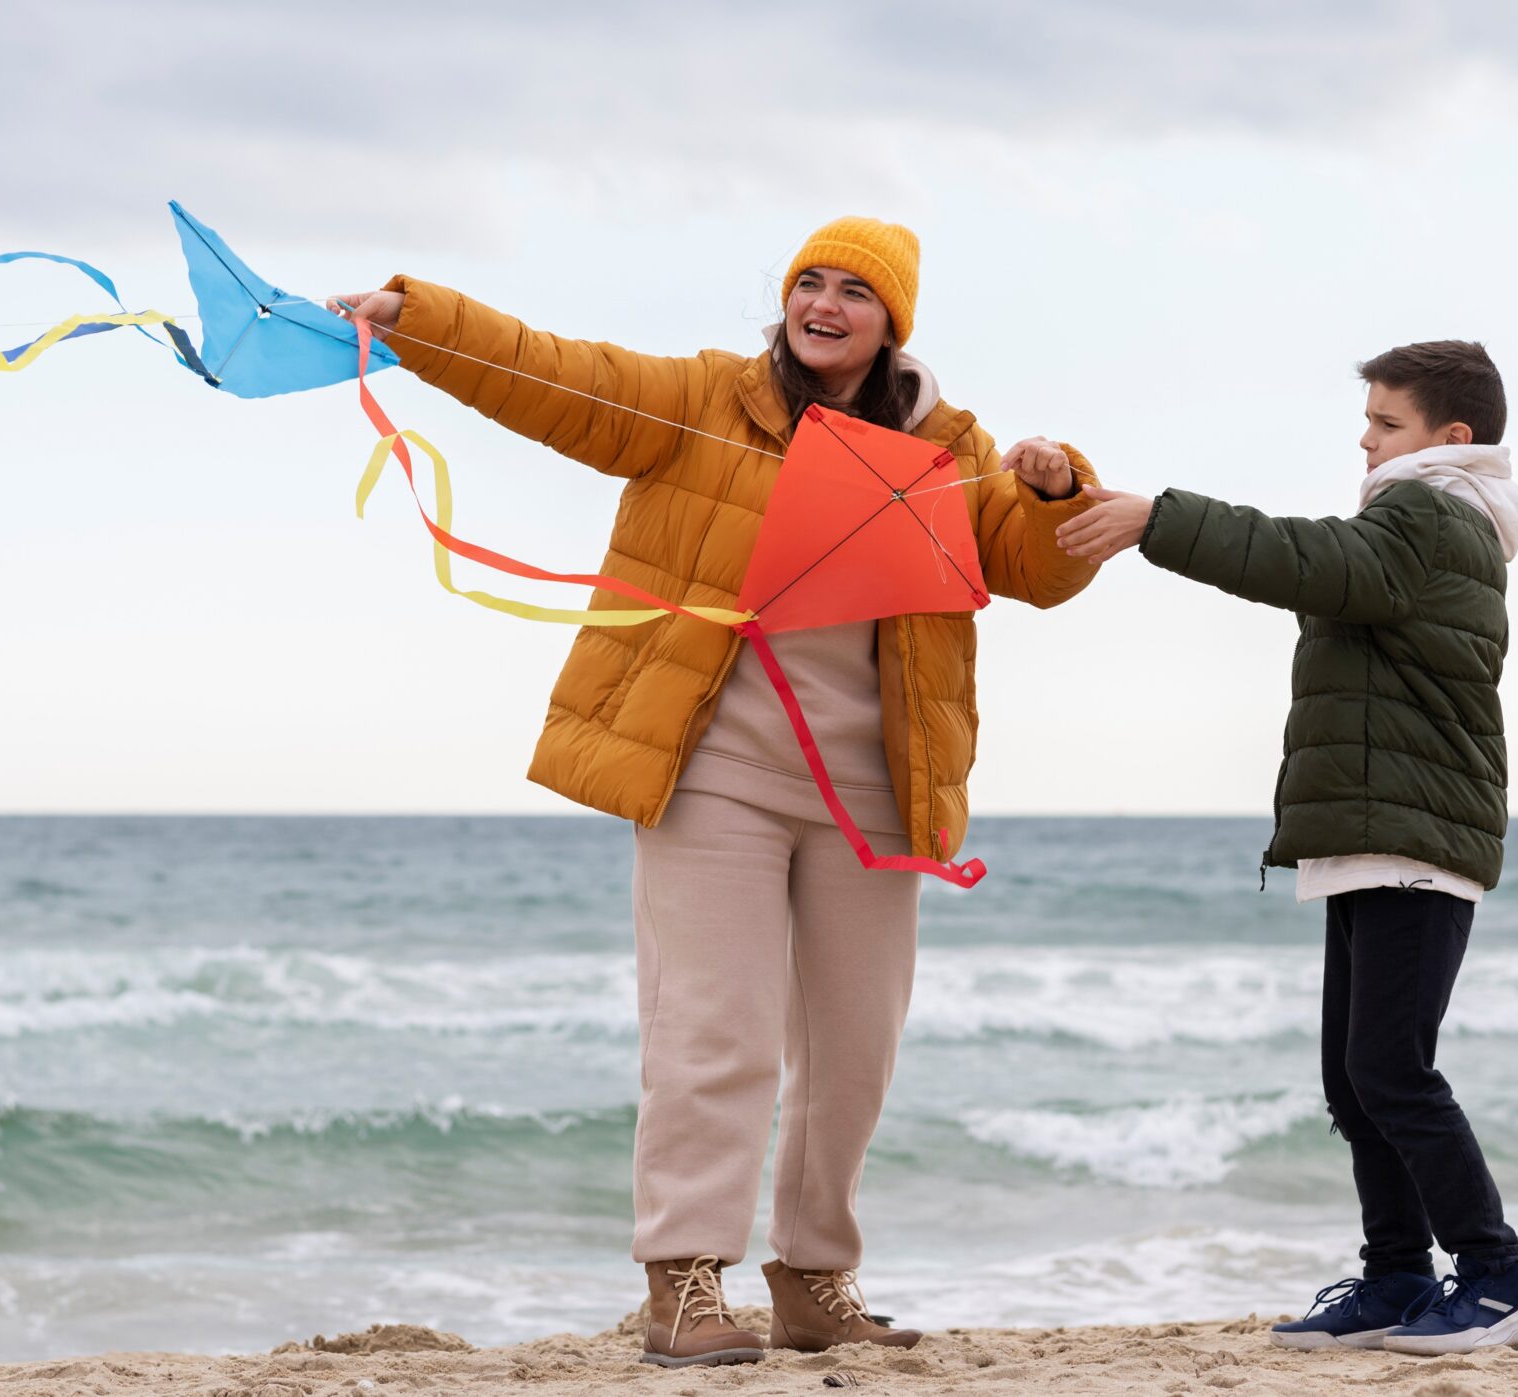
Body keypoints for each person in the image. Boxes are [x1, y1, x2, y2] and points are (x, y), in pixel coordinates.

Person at [330, 218, 1103, 1367]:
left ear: (895, 320)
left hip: (877, 791)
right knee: (715, 1029)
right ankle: (684, 1278)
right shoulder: (706, 399)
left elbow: (1034, 568)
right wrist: (421, 318)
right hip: (717, 770)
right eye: (808, 282)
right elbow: (558, 375)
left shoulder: (949, 442)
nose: (823, 304)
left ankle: (812, 1274)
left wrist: (1052, 488)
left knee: (855, 1048)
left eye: (853, 290)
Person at [1052, 341, 1518, 1356]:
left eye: (1386, 422)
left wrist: (1158, 518)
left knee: (1391, 1071)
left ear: (1449, 439)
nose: (1365, 439)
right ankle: (1396, 1275)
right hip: (1377, 832)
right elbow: (1316, 571)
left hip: (1411, 836)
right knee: (1354, 1076)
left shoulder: (1427, 514)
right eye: (1366, 420)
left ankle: (1499, 1274)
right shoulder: (1421, 526)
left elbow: (1301, 557)